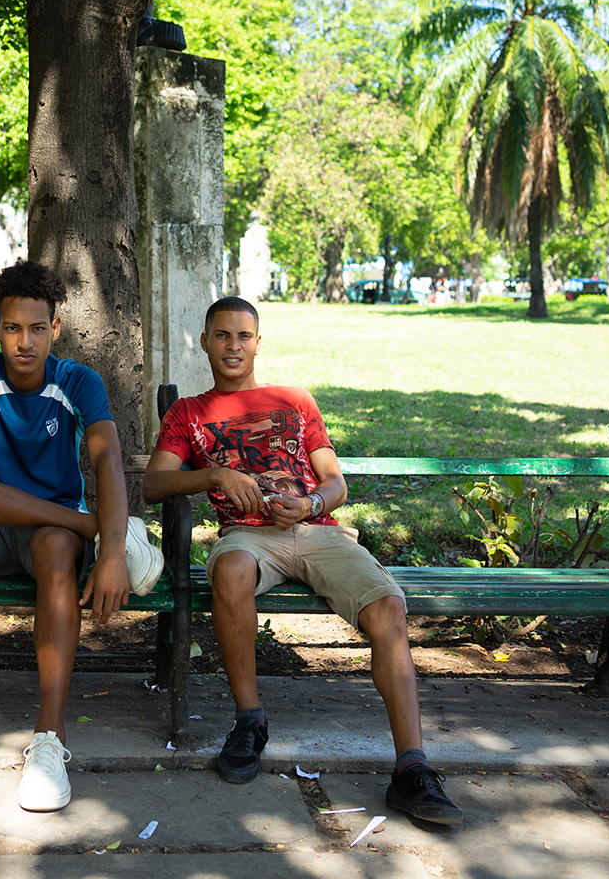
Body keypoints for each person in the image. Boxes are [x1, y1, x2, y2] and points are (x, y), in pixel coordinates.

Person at [142, 296, 462, 826]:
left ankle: (412, 768)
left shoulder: (295, 400)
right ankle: (250, 721)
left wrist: (312, 503)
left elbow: (335, 482)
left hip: (316, 529)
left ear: (258, 343)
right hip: (249, 536)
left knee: (387, 608)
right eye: (222, 335)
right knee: (229, 570)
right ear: (204, 342)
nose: (233, 346)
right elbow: (155, 483)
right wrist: (216, 476)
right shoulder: (188, 413)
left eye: (243, 336)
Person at [0, 260, 163, 812]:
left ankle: (49, 740)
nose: (24, 342)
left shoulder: (76, 382)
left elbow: (107, 456)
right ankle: (89, 525)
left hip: (50, 535)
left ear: (55, 329)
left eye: (37, 328)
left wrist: (110, 552)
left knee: (60, 549)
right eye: (12, 328)